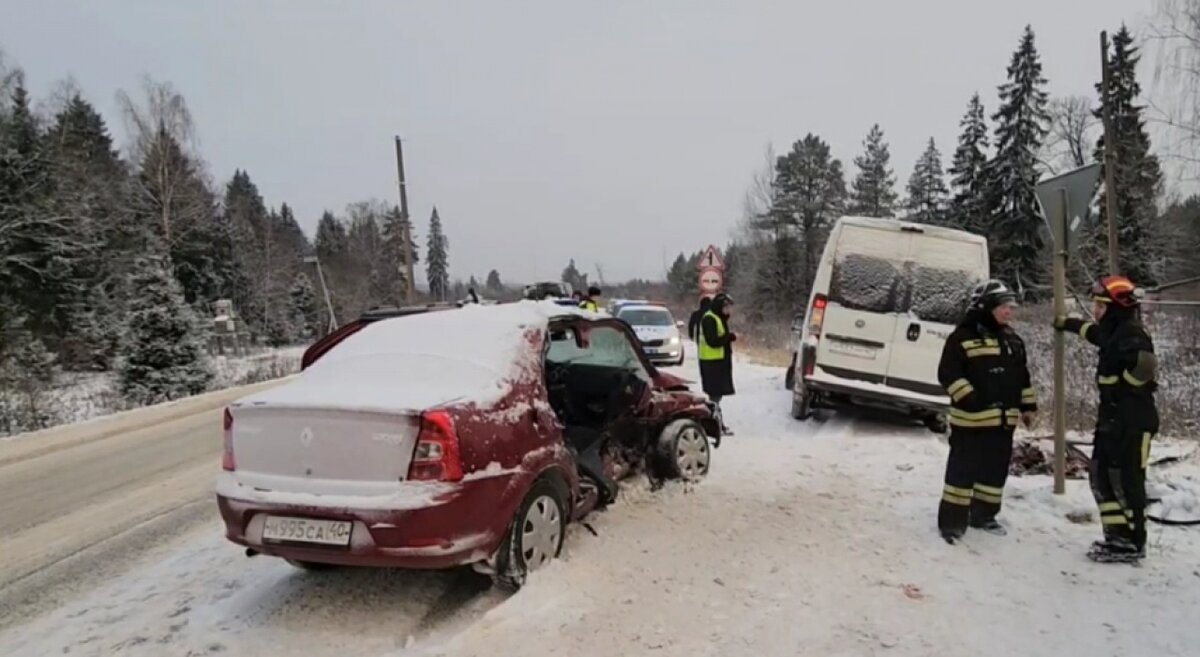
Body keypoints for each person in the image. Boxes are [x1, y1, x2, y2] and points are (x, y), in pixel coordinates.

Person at [1054, 275, 1158, 564]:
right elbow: (1096, 334)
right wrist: (1069, 323)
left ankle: (1134, 542)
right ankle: (1117, 536)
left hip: (1133, 421)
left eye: (1100, 305)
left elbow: (1145, 365)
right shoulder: (1114, 330)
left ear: (1114, 306)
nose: (1095, 310)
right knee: (1100, 475)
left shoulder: (1131, 333)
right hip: (1113, 420)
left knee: (1128, 480)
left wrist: (1120, 389)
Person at [936, 279, 1036, 544]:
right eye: (1003, 307)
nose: (1008, 312)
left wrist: (1027, 407)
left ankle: (984, 516)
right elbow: (948, 374)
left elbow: (1022, 377)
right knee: (962, 473)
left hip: (1003, 424)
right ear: (986, 307)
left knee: (994, 472)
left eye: (1010, 307)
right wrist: (970, 398)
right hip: (970, 423)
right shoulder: (962, 337)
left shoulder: (1013, 340)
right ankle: (952, 523)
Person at [698, 292, 736, 435]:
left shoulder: (719, 318)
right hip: (711, 363)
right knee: (714, 398)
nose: (729, 311)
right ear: (720, 306)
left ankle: (717, 425)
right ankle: (714, 426)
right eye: (727, 308)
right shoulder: (710, 319)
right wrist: (730, 337)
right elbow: (713, 341)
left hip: (718, 362)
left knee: (716, 397)